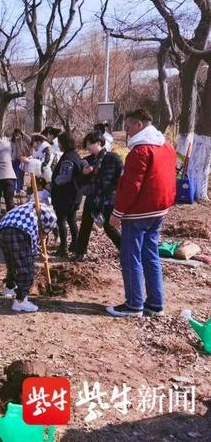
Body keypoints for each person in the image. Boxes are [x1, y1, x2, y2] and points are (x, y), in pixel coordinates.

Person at [106, 109, 176, 317]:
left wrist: (117, 212)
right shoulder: (166, 146)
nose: (126, 132)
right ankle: (155, 303)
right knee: (151, 254)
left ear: (139, 125)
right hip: (159, 208)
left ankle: (134, 304)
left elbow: (131, 185)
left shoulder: (140, 151)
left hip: (139, 211)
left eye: (128, 126)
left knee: (130, 256)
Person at [0, 202, 57, 313]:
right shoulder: (37, 220)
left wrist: (39, 253)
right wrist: (39, 255)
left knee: (12, 262)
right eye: (44, 232)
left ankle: (10, 288)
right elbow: (29, 249)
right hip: (17, 232)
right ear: (43, 225)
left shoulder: (29, 211)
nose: (43, 235)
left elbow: (30, 243)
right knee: (26, 267)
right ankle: (20, 301)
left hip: (2, 230)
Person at [74, 131, 123, 262]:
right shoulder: (87, 160)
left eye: (91, 143)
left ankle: (123, 248)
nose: (88, 146)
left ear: (100, 143)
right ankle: (80, 252)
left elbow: (121, 176)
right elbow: (78, 178)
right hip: (92, 197)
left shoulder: (113, 158)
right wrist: (84, 174)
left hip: (107, 198)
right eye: (87, 144)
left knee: (108, 226)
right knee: (85, 225)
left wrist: (116, 192)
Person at [50, 132, 84, 257]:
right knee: (71, 220)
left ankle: (63, 248)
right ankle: (75, 245)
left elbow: (64, 177)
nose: (58, 145)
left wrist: (52, 183)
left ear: (64, 143)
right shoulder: (75, 155)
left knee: (61, 220)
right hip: (74, 194)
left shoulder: (68, 158)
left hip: (66, 195)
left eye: (59, 143)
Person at [10, 128, 31, 193]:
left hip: (23, 159)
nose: (17, 135)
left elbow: (30, 140)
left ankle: (20, 188)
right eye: (16, 134)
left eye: (18, 133)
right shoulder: (13, 140)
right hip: (15, 159)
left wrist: (24, 133)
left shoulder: (24, 140)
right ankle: (15, 189)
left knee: (21, 174)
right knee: (16, 174)